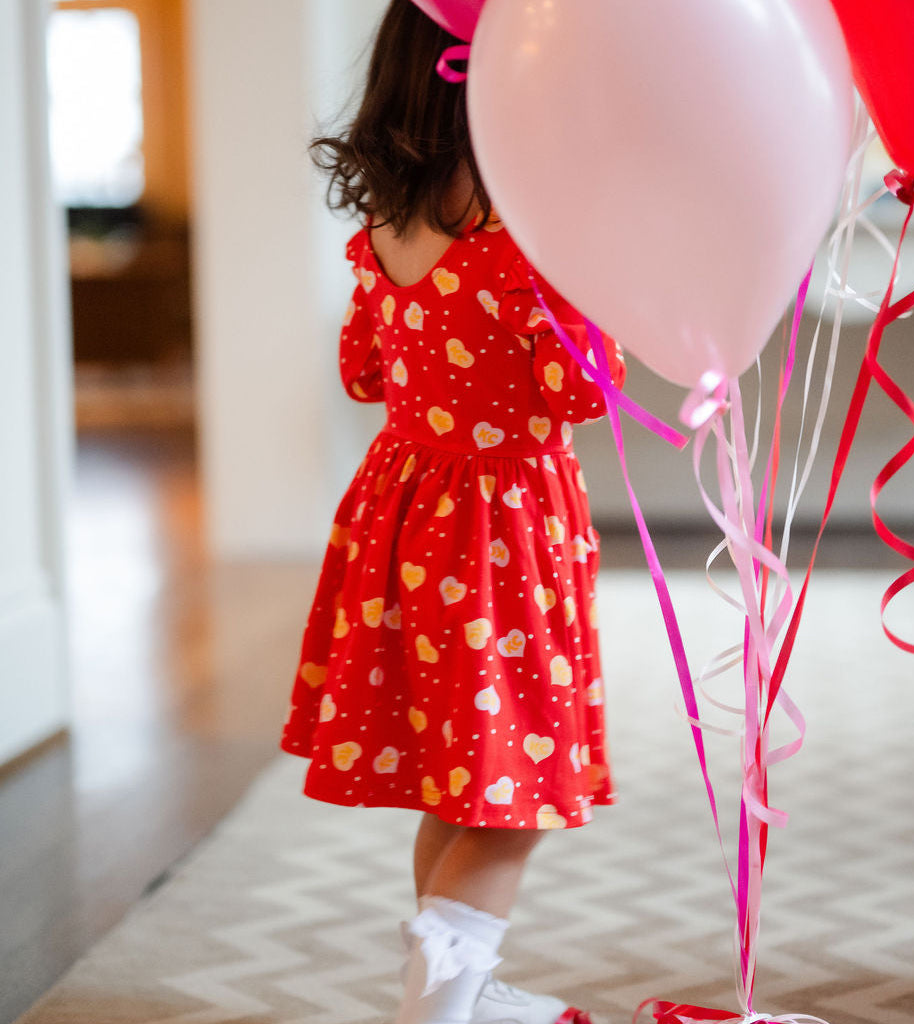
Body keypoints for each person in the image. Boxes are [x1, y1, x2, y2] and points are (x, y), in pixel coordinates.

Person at [280, 3, 626, 1023]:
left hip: (407, 508)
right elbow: (582, 390)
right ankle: (437, 1004)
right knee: (512, 792)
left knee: (457, 773)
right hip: (502, 526)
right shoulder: (522, 225)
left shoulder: (385, 224)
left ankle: (456, 989)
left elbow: (363, 370)